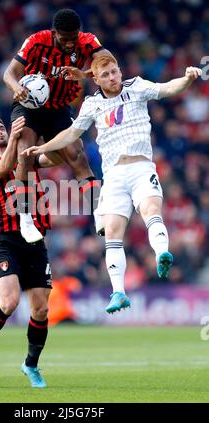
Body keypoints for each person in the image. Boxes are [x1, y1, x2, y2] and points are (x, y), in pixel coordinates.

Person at [21, 53, 202, 314]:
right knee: (113, 233)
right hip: (114, 175)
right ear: (96, 79)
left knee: (151, 209)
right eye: (105, 75)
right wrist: (42, 148)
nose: (112, 77)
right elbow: (71, 134)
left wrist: (186, 78)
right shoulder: (92, 105)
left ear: (120, 70)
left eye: (115, 72)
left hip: (141, 167)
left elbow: (166, 88)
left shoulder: (136, 87)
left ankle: (162, 253)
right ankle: (118, 292)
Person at [3, 8, 111, 242]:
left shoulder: (87, 41)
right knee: (24, 155)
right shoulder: (35, 41)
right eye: (64, 39)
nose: (70, 44)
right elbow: (9, 73)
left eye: (74, 38)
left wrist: (83, 74)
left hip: (59, 109)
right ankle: (26, 219)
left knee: (77, 155)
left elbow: (109, 64)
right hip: (29, 107)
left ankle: (98, 211)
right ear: (54, 33)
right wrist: (16, 88)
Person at [0, 115, 54, 388]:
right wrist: (18, 143)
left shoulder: (26, 157)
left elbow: (53, 159)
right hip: (5, 238)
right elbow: (4, 167)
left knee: (41, 309)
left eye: (1, 128)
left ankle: (31, 364)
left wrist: (49, 134)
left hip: (34, 239)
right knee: (9, 302)